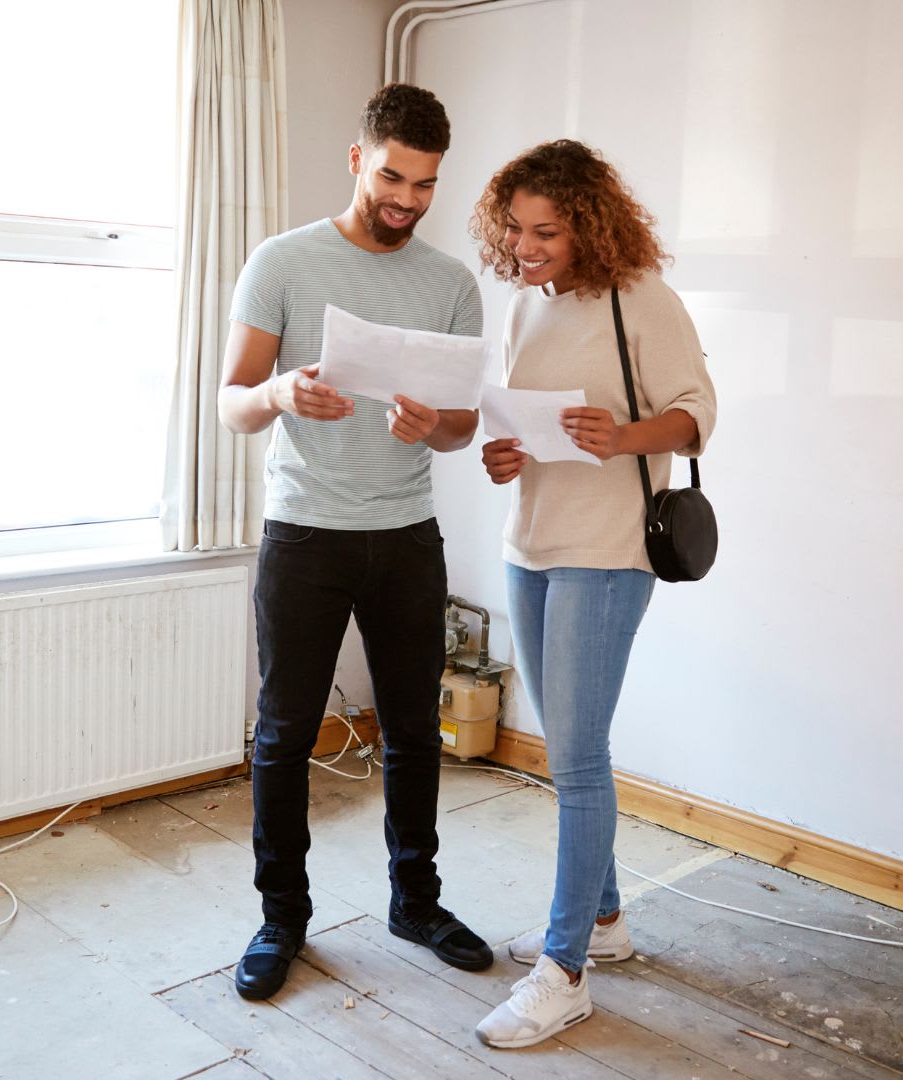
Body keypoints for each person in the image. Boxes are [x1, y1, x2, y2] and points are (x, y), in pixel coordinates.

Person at [216, 83, 493, 1001]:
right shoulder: (283, 261)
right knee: (286, 734)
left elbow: (461, 427)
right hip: (304, 536)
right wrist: (280, 396)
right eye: (392, 176)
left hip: (407, 535)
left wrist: (435, 429)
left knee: (415, 730)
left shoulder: (451, 284)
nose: (407, 199)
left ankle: (416, 902)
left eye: (426, 184)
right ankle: (281, 918)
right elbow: (232, 403)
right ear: (356, 160)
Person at [467, 140, 718, 1048]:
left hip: (609, 551)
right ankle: (605, 921)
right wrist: (502, 454)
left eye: (547, 232)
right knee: (564, 744)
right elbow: (512, 423)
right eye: (516, 231)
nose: (527, 249)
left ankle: (565, 970)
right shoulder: (523, 306)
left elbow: (698, 413)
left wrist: (623, 438)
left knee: (575, 758)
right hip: (529, 541)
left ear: (590, 225)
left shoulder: (641, 298)